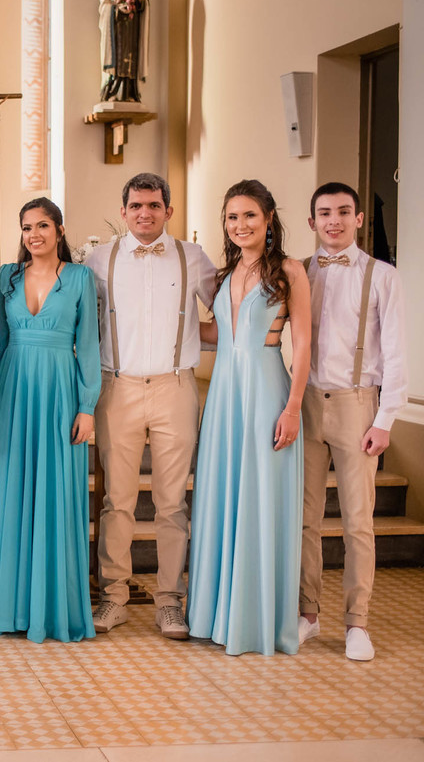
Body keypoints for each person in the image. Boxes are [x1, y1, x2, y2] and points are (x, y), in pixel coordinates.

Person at [85, 172, 215, 640]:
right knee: (116, 499)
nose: (145, 213)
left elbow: (229, 314)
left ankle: (169, 602)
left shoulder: (192, 258)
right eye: (136, 205)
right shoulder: (99, 260)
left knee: (171, 502)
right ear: (123, 211)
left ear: (169, 211)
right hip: (115, 386)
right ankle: (113, 598)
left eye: (154, 205)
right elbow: (82, 324)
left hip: (175, 387)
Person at [187, 180, 309, 656]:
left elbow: (303, 344)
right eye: (232, 217)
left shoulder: (291, 272)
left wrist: (293, 407)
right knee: (222, 496)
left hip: (266, 390)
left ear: (269, 218)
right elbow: (217, 333)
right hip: (222, 396)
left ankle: (256, 621)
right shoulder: (225, 274)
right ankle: (218, 615)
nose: (240, 225)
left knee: (259, 500)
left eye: (250, 217)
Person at [0, 198, 101, 641]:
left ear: (60, 229)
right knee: (8, 490)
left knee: (55, 493)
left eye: (43, 226)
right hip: (12, 389)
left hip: (58, 393)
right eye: (27, 227)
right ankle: (7, 606)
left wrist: (87, 406)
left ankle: (52, 608)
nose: (34, 234)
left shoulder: (80, 278)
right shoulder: (6, 278)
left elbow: (88, 345)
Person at [298, 182, 407, 661]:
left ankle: (356, 621)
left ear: (359, 219)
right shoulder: (297, 272)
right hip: (303, 404)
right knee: (305, 520)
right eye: (325, 213)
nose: (334, 220)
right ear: (312, 222)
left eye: (344, 212)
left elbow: (400, 354)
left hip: (358, 404)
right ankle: (307, 613)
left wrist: (384, 419)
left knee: (358, 521)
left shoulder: (383, 276)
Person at [98, 0, 149, 102]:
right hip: (117, 28)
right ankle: (114, 91)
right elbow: (103, 5)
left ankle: (130, 93)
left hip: (133, 28)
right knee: (119, 57)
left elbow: (145, 4)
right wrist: (116, 7)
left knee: (131, 57)